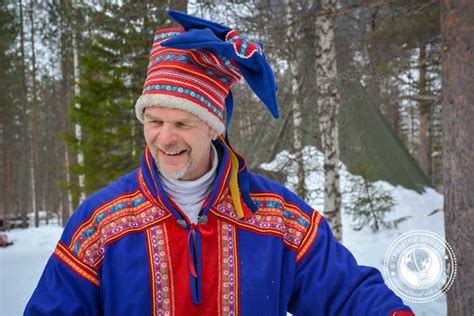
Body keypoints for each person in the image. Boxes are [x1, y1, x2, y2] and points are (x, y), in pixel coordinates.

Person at [25, 10, 414, 316]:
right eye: (154, 121)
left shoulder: (278, 217)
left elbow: (345, 294)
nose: (165, 137)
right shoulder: (102, 221)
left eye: (181, 123)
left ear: (214, 128)